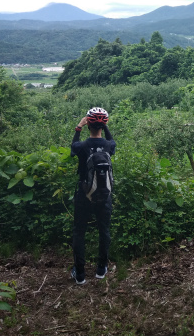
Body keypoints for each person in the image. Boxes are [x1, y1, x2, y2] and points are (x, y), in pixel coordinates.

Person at [70, 107, 116, 285]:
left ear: (88, 123)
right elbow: (112, 141)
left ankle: (80, 274)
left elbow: (73, 149)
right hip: (104, 195)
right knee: (104, 230)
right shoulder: (108, 146)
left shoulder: (81, 146)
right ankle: (101, 268)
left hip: (84, 195)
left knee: (79, 232)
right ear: (104, 125)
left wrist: (78, 128)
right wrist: (105, 127)